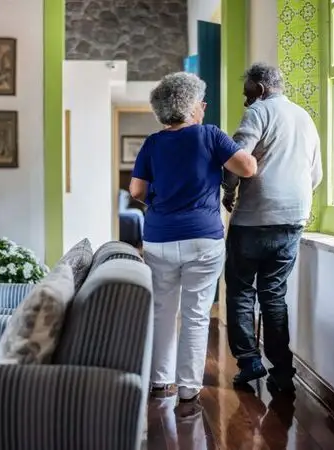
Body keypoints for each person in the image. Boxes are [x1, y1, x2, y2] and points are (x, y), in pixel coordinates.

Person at [129, 72, 257, 402]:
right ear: (190, 107)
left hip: (159, 238)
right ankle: (188, 387)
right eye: (201, 101)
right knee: (196, 315)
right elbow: (247, 168)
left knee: (163, 310)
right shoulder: (211, 136)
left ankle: (159, 380)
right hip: (203, 238)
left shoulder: (152, 143)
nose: (204, 106)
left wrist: (159, 203)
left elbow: (137, 190)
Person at [222, 62, 323, 393]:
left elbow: (237, 160)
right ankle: (282, 370)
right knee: (273, 295)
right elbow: (316, 176)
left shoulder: (259, 113)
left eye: (247, 93)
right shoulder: (304, 118)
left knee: (240, 290)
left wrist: (229, 190)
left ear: (261, 89)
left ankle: (249, 360)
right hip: (292, 220)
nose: (246, 100)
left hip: (253, 219)